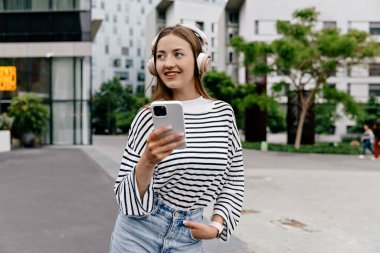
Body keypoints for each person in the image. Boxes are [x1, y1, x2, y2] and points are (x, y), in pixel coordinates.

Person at [109, 24, 244, 253]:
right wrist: (148, 161)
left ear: (200, 61)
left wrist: (217, 226)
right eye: (160, 56)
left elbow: (234, 179)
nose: (168, 63)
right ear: (154, 66)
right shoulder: (146, 116)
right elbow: (125, 198)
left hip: (188, 235)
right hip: (137, 232)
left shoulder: (223, 114)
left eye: (178, 54)